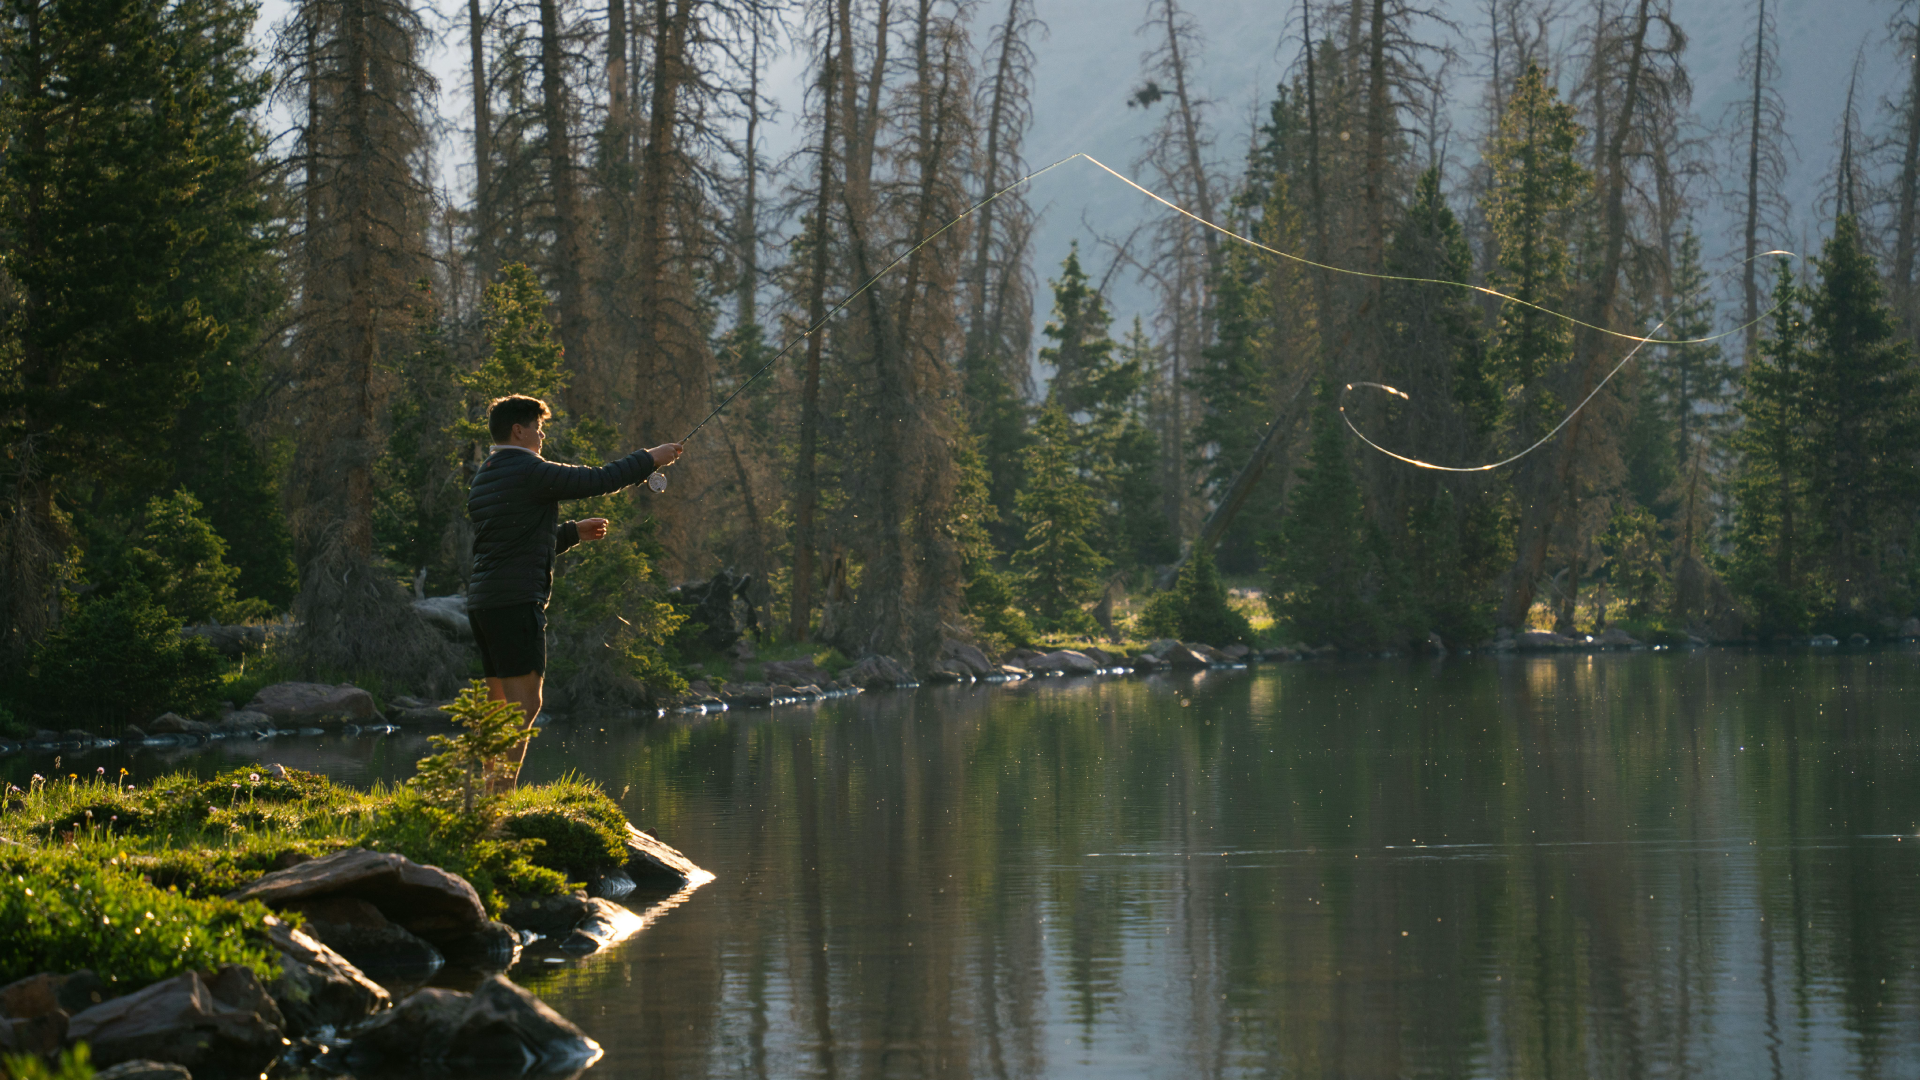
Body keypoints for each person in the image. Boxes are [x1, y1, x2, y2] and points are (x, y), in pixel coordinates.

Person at [466, 394, 683, 784]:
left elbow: (509, 539)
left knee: (497, 708)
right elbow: (598, 479)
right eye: (537, 426)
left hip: (485, 603)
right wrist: (651, 458)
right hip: (516, 602)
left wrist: (570, 533)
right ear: (519, 430)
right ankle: (498, 798)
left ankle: (485, 793)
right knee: (526, 705)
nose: (541, 433)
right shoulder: (527, 468)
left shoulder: (488, 472)